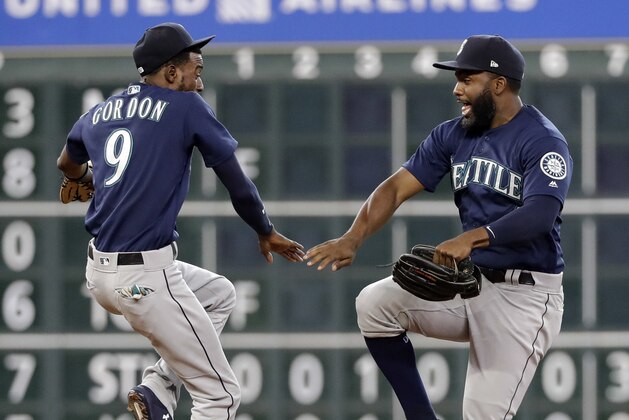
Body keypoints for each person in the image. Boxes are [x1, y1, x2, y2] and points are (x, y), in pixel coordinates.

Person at [305, 34, 572, 419]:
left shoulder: (542, 140)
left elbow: (541, 213)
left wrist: (473, 238)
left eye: (467, 79)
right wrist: (353, 237)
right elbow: (396, 187)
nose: (457, 89)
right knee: (375, 304)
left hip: (525, 299)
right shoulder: (454, 134)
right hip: (472, 284)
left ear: (498, 85)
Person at [57, 22, 305, 420]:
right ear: (171, 73)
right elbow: (237, 184)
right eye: (196, 69)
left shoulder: (101, 111)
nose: (200, 82)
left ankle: (157, 389)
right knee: (220, 396)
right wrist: (266, 231)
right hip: (145, 278)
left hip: (99, 273)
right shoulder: (185, 107)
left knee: (218, 294)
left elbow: (66, 162)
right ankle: (161, 392)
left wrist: (82, 180)